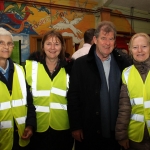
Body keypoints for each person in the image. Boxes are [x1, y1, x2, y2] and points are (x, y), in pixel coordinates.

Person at [67, 21, 132, 150]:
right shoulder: (81, 64)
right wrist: (76, 126)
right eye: (103, 38)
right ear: (95, 40)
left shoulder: (123, 63)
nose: (107, 43)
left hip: (116, 134)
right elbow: (73, 97)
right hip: (88, 131)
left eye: (111, 39)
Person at [25, 30, 74, 150]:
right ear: (42, 46)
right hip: (37, 127)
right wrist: (29, 124)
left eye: (57, 44)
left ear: (62, 47)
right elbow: (26, 99)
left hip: (63, 128)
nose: (52, 48)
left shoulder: (71, 68)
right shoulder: (30, 67)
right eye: (48, 44)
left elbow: (75, 99)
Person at [0, 27, 36, 150]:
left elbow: (29, 102)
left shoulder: (20, 70)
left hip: (21, 138)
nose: (6, 47)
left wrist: (30, 125)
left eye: (9, 44)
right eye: (1, 43)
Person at [115, 33, 150, 150]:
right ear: (130, 50)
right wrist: (121, 135)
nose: (140, 50)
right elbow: (124, 108)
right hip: (136, 137)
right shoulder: (126, 73)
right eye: (135, 47)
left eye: (144, 46)